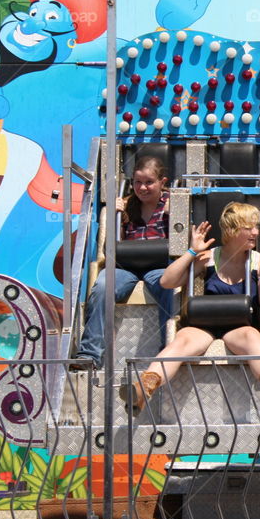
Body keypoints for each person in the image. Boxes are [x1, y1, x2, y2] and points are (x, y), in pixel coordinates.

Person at [120, 202, 260, 415]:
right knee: (181, 340)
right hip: (205, 326)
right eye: (249, 227)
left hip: (240, 328)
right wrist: (192, 252)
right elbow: (167, 281)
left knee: (251, 336)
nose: (255, 232)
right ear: (232, 230)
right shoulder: (209, 257)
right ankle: (142, 390)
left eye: (256, 227)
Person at [74, 156, 175, 370]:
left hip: (159, 266)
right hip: (127, 267)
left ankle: (167, 351)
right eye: (138, 182)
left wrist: (175, 216)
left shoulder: (172, 204)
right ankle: (90, 355)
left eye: (149, 182)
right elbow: (113, 244)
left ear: (162, 182)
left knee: (169, 286)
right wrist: (114, 216)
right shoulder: (128, 205)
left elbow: (181, 243)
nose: (143, 187)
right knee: (102, 287)